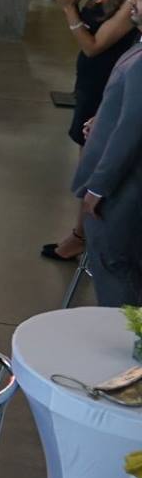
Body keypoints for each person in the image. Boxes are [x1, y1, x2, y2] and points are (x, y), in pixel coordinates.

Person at [42, 0, 142, 264]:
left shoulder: (131, 2)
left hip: (103, 84)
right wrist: (74, 4)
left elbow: (93, 46)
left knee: (93, 160)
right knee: (87, 155)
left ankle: (81, 235)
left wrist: (68, 9)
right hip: (89, 81)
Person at [72, 27, 142, 311]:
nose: (132, 5)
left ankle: (124, 333)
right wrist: (101, 120)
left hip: (123, 188)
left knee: (115, 266)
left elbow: (132, 128)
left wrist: (99, 186)